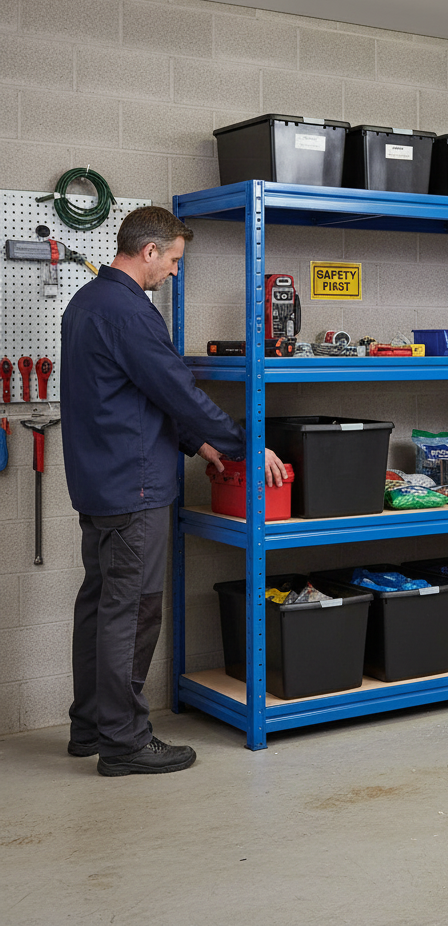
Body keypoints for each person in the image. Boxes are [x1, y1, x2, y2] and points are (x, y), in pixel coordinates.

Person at [60, 205, 287, 776]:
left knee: (100, 605)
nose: (175, 272)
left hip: (99, 480)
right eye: (174, 261)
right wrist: (243, 444)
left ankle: (90, 727)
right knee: (133, 611)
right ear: (149, 251)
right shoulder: (130, 311)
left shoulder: (86, 302)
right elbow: (176, 390)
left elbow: (135, 395)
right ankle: (124, 742)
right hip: (134, 486)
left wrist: (199, 445)